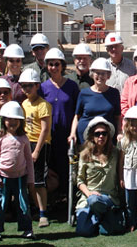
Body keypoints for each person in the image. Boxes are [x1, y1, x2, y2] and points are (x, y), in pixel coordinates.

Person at [0, 101, 35, 242]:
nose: (13, 122)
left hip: (20, 178)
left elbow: (28, 159)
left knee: (23, 204)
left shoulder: (23, 138)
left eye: (16, 119)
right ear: (4, 120)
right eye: (9, 119)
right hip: (3, 179)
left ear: (21, 121)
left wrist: (31, 179)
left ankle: (27, 229)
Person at [39, 48, 79, 197]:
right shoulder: (42, 88)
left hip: (67, 136)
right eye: (50, 64)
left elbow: (77, 112)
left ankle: (67, 199)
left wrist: (73, 132)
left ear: (62, 65)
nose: (54, 67)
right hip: (49, 137)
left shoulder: (72, 86)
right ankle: (53, 200)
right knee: (51, 169)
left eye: (57, 64)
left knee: (66, 169)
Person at [75, 117, 125, 236]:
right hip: (89, 198)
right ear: (92, 136)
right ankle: (102, 217)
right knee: (83, 231)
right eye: (97, 134)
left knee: (107, 231)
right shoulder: (84, 155)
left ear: (108, 135)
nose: (101, 136)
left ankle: (99, 217)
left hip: (109, 197)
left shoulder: (115, 153)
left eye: (104, 133)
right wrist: (89, 193)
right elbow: (80, 180)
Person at [18, 68, 52, 228]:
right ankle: (34, 208)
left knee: (39, 181)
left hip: (40, 143)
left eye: (30, 86)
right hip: (26, 143)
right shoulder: (24, 104)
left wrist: (37, 150)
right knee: (28, 180)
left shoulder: (43, 105)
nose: (26, 89)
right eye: (24, 86)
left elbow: (45, 129)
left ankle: (43, 213)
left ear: (37, 86)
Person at [69, 58, 121, 145]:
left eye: (103, 73)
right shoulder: (84, 93)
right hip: (85, 139)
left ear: (108, 76)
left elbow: (117, 117)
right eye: (97, 73)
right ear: (92, 74)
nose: (100, 76)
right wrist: (72, 133)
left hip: (106, 138)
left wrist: (119, 132)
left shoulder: (114, 93)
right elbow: (77, 116)